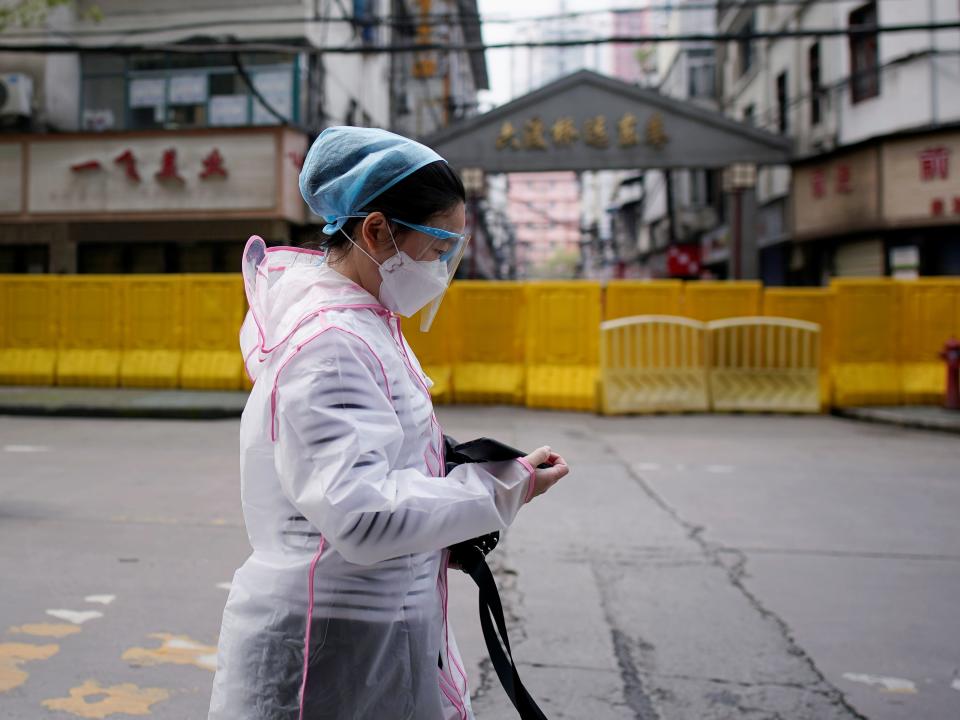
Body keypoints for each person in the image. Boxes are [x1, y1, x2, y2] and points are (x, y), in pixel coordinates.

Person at [208, 126, 569, 720]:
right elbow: (363, 516)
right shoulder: (331, 342)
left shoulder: (367, 324)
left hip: (370, 634)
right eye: (436, 247)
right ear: (376, 231)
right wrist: (505, 486)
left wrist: (447, 505)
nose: (442, 267)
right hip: (331, 648)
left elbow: (379, 472)